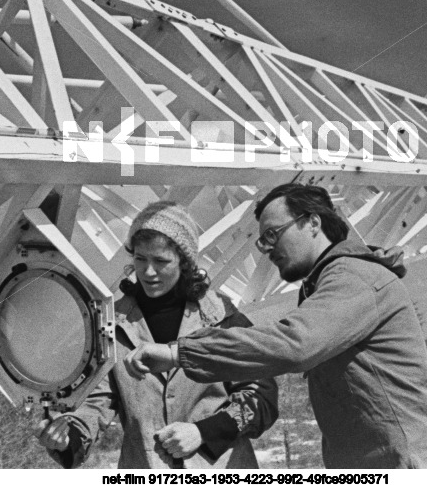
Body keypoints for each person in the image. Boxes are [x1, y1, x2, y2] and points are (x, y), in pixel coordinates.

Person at [126, 184, 427, 469]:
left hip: (407, 464)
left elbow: (295, 345)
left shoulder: (354, 278)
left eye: (273, 234)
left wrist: (178, 352)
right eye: (263, 241)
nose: (268, 249)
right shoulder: (329, 285)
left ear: (313, 223)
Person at [34, 201, 278, 469]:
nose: (148, 272)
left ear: (185, 262)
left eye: (161, 261)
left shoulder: (224, 319)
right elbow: (96, 402)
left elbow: (261, 397)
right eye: (140, 259)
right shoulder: (110, 326)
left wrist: (204, 432)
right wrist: (67, 438)